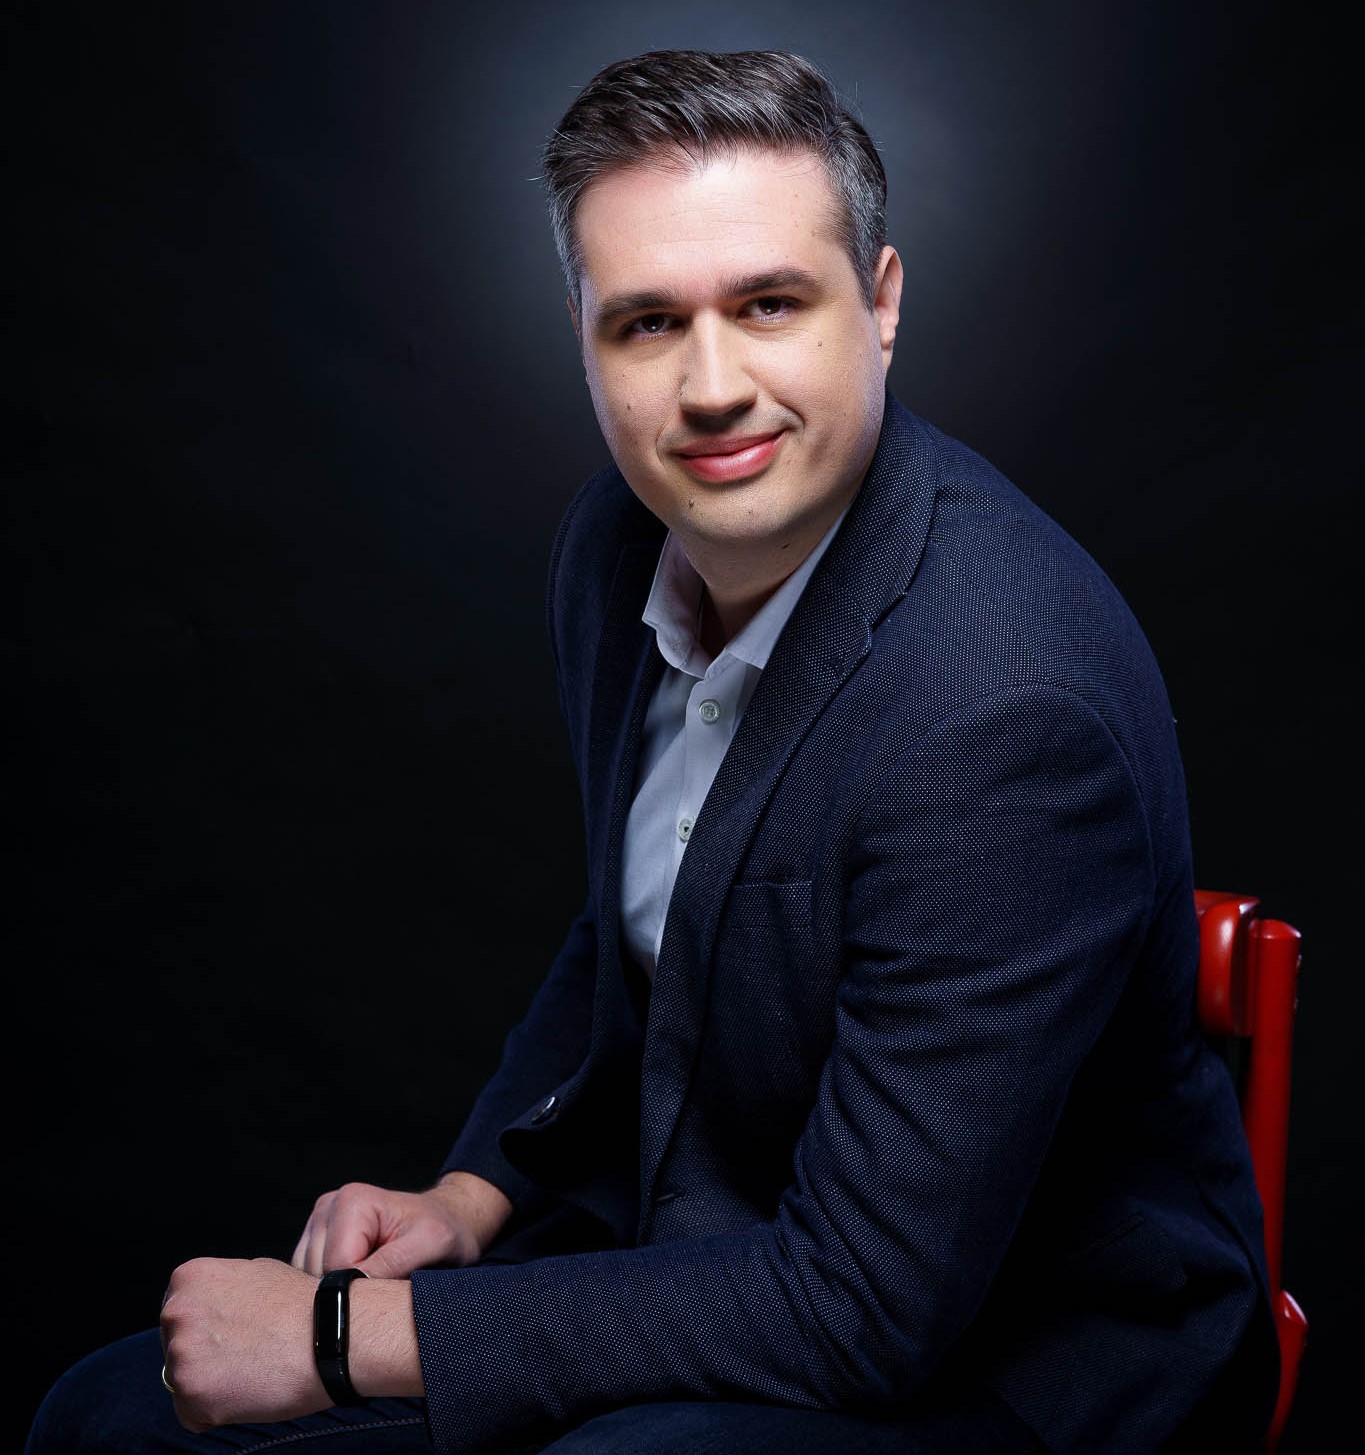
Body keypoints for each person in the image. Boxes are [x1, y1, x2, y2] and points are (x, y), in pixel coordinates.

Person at [26, 48, 1280, 1455]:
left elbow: (863, 1309)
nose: (711, 386)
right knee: (109, 1420)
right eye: (646, 323)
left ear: (879, 305)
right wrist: (473, 1197)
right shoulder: (619, 546)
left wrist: (343, 1339)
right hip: (710, 1249)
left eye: (769, 305)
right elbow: (645, 927)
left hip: (1010, 1355)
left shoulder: (1005, 711)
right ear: (582, 337)